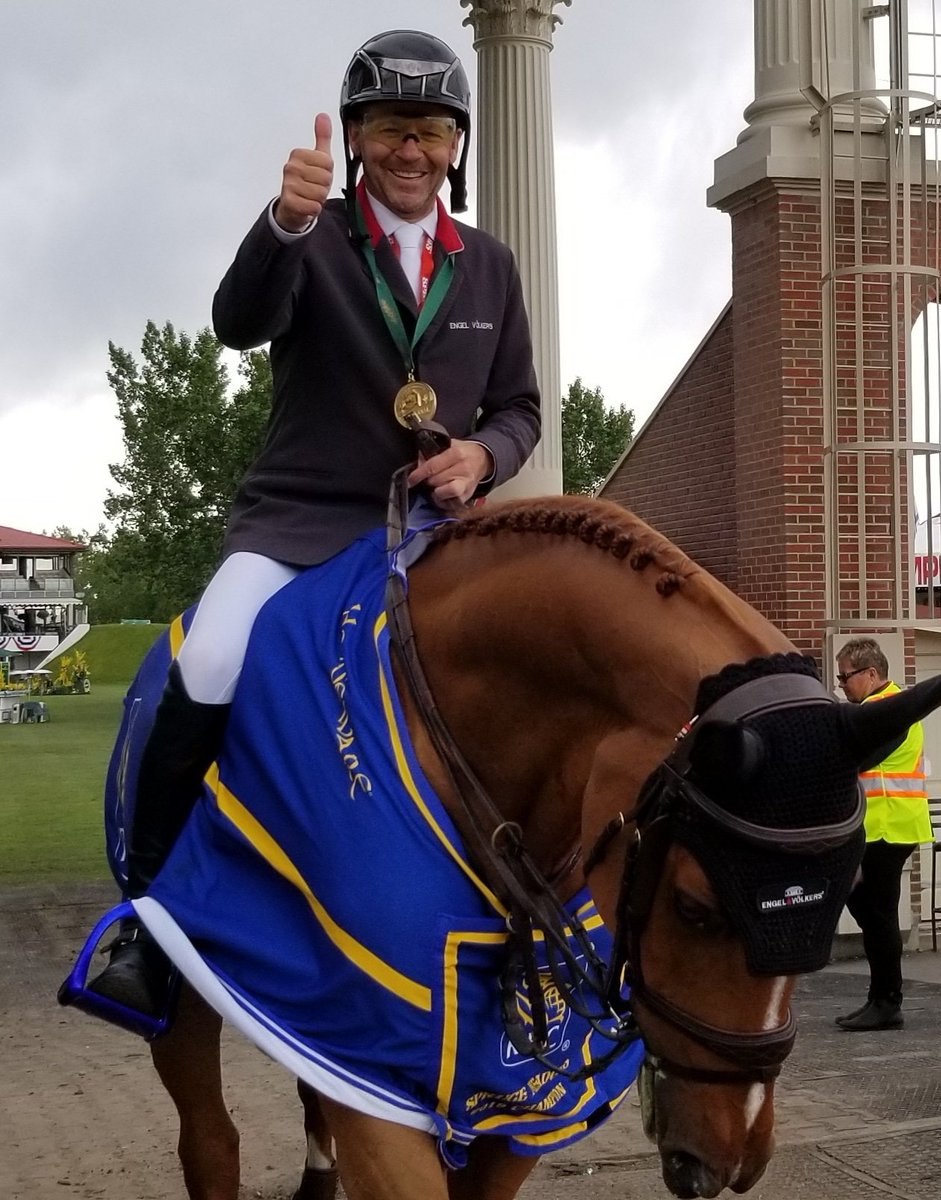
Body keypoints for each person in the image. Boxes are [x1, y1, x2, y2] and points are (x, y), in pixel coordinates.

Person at [88, 29, 541, 1014]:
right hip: (297, 522)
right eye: (390, 129)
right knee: (212, 657)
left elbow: (519, 408)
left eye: (430, 131)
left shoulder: (492, 265)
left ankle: (529, 931)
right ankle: (151, 926)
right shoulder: (313, 237)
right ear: (356, 137)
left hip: (429, 534)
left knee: (520, 684)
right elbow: (236, 322)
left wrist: (482, 457)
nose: (410, 150)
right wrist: (284, 223)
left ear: (456, 145)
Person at [833, 638, 933, 1031]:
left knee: (879, 914)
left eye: (846, 677)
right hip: (884, 825)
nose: (842, 684)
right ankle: (881, 999)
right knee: (872, 911)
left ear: (871, 673)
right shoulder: (885, 707)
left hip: (888, 825)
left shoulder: (887, 709)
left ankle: (887, 1002)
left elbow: (858, 757)